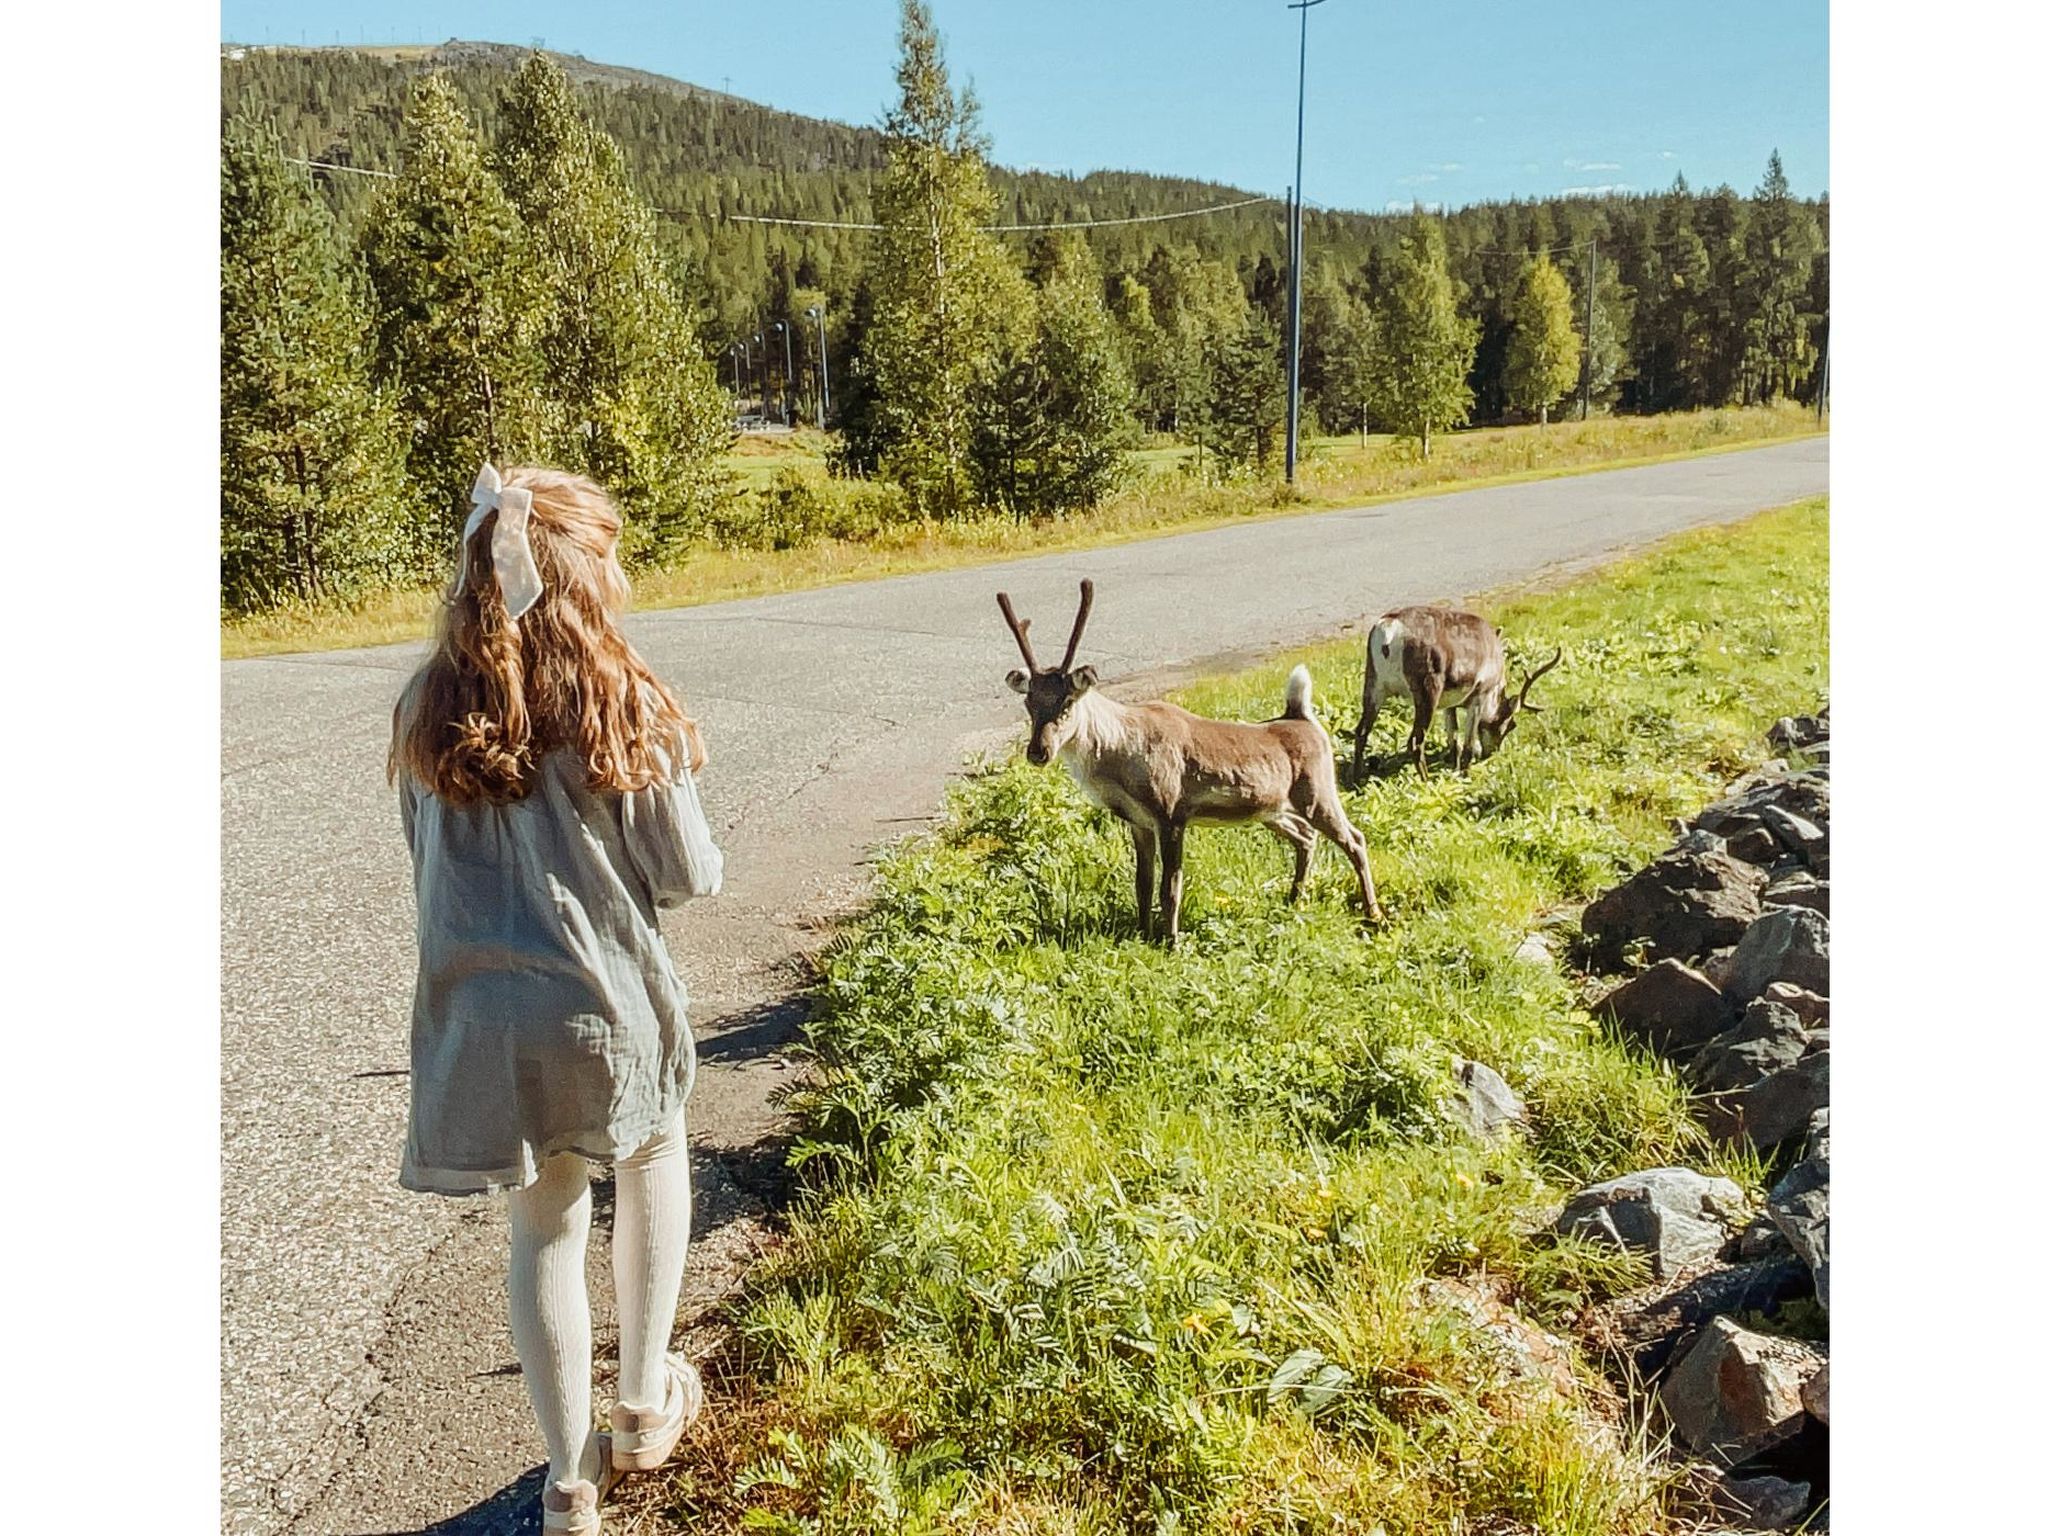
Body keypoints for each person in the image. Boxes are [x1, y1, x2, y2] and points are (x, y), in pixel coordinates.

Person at [388, 463, 723, 1533]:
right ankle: (639, 1405)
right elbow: (683, 873)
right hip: (601, 1002)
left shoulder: (427, 704)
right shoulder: (619, 697)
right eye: (614, 554)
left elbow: (423, 863)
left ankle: (567, 1483)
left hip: (482, 1017)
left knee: (543, 1224)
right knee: (653, 1150)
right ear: (585, 574)